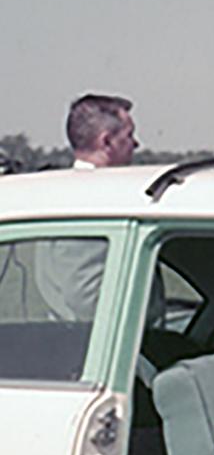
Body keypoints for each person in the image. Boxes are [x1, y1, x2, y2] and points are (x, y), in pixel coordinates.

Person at [35, 96, 139, 321]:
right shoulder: (93, 201)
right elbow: (87, 298)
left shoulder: (58, 193)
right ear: (107, 142)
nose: (136, 144)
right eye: (129, 135)